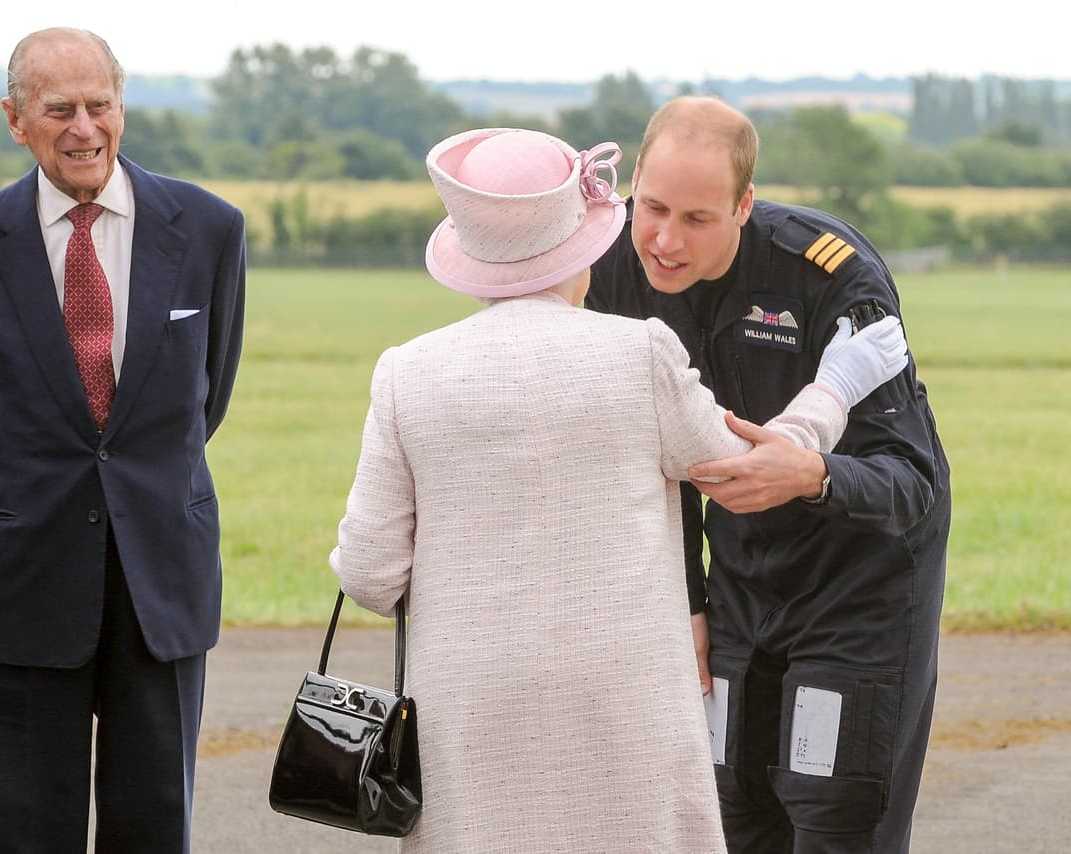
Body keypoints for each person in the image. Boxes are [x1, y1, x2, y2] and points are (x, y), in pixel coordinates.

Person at [327, 127, 908, 853]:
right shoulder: (640, 354)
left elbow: (371, 576)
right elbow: (743, 473)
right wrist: (832, 392)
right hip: (623, 710)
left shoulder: (403, 374)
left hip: (468, 716)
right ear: (583, 242)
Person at [0, 27, 245, 853]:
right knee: (23, 833)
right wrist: (24, 506)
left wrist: (130, 495)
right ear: (15, 120)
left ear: (123, 106)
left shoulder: (207, 230)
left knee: (155, 827)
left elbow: (210, 394)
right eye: (60, 110)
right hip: (21, 585)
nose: (84, 128)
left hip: (159, 583)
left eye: (100, 105)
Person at [585, 95, 952, 853]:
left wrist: (814, 473)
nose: (664, 240)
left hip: (860, 586)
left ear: (744, 205)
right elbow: (651, 465)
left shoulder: (828, 276)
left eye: (697, 219)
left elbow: (912, 485)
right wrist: (685, 601)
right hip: (742, 582)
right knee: (730, 813)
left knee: (833, 814)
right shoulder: (614, 268)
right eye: (651, 207)